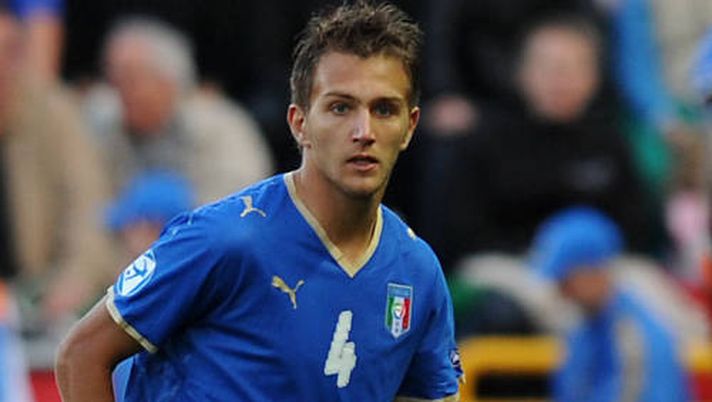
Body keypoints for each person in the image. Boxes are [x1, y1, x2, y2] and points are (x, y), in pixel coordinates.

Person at [55, 2, 463, 401]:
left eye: (384, 109)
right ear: (300, 124)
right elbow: (82, 355)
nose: (364, 131)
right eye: (340, 107)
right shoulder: (222, 240)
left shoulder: (417, 272)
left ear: (410, 126)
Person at [84, 17, 274, 204]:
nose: (121, 91)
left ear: (169, 81)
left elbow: (243, 203)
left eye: (132, 79)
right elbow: (86, 202)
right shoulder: (101, 125)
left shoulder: (222, 129)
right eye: (114, 79)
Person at [532, 206, 689, 402]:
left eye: (565, 281)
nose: (561, 293)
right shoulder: (584, 328)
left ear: (593, 272)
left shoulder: (632, 337)